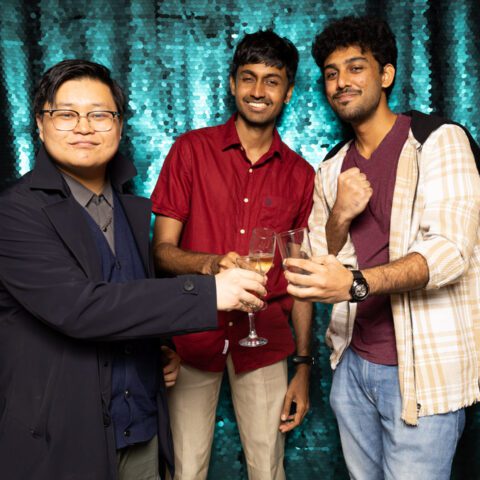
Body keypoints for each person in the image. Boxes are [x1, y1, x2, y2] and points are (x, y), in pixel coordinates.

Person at [0, 59, 267, 480]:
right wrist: (210, 291)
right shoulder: (15, 212)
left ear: (120, 126)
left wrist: (153, 350)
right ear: (40, 124)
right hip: (61, 439)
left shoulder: (131, 209)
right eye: (66, 114)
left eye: (99, 115)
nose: (84, 127)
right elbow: (80, 308)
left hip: (141, 435)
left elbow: (130, 299)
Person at [283, 16, 480, 480]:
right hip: (354, 367)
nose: (341, 82)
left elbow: (450, 251)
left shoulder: (438, 141)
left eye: (356, 68)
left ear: (386, 74)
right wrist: (339, 214)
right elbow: (321, 258)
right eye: (331, 73)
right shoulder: (331, 167)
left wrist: (355, 284)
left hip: (423, 372)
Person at [151, 30, 315, 480]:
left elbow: (300, 278)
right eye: (248, 78)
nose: (258, 91)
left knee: (268, 469)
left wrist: (303, 365)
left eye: (272, 81)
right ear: (232, 84)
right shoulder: (191, 150)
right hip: (192, 332)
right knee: (185, 469)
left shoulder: (301, 174)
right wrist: (210, 265)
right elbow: (161, 252)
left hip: (265, 338)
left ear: (288, 91)